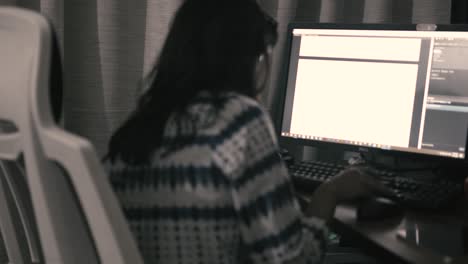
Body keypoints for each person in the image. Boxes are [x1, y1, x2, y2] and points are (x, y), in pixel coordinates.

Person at [104, 0, 389, 263]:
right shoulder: (241, 117)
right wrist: (330, 192)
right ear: (251, 59)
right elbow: (292, 260)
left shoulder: (135, 132)